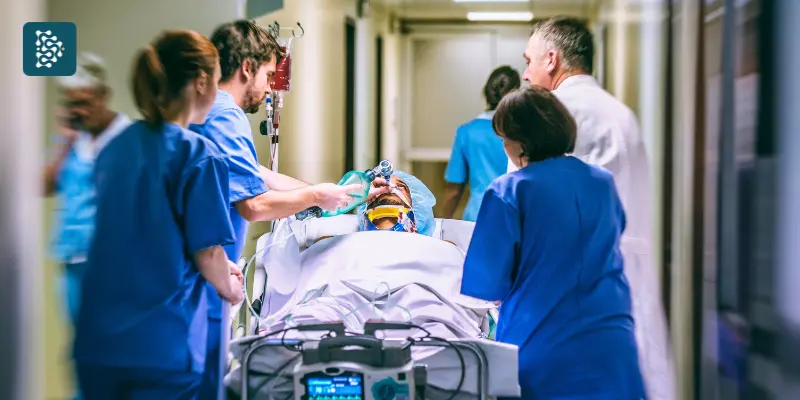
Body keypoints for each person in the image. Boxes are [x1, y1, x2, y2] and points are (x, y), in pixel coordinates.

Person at [189, 20, 388, 398]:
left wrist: (346, 194)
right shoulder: (226, 114)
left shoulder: (209, 111)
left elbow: (258, 176)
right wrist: (316, 199)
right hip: (210, 277)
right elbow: (254, 205)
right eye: (267, 74)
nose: (268, 90)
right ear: (246, 67)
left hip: (206, 273)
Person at [73, 30, 245, 399]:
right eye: (216, 82)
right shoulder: (199, 155)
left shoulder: (114, 148)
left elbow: (138, 232)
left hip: (98, 340)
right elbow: (208, 253)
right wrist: (230, 287)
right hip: (160, 342)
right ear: (201, 83)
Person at [513, 16, 674, 399]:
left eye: (528, 61)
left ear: (551, 59)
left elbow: (526, 215)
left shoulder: (548, 116)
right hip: (632, 284)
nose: (524, 74)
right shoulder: (623, 115)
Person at [461, 86, 645, 399]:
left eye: (504, 137)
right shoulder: (602, 183)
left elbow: (487, 284)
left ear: (520, 142)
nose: (503, 145)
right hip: (612, 346)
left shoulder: (508, 191)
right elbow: (615, 236)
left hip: (542, 351)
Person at [43, 53, 130, 400]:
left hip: (111, 266)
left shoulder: (126, 137)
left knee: (110, 351)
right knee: (80, 350)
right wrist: (64, 138)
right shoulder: (72, 140)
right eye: (71, 104)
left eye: (84, 102)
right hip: (72, 260)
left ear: (103, 94)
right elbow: (44, 184)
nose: (77, 110)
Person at [442, 65, 521, 222]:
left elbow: (454, 190)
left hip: (477, 217)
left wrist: (443, 222)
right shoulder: (525, 130)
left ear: (486, 92)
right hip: (516, 216)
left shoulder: (467, 132)